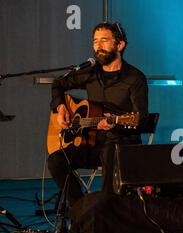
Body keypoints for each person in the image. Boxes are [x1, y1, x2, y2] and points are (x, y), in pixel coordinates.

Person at [48, 22, 148, 208]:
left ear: (120, 45)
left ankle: (107, 213)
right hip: (92, 143)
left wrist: (115, 124)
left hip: (121, 145)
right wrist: (60, 107)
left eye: (104, 40)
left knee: (110, 153)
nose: (98, 46)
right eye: (95, 41)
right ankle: (80, 210)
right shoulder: (90, 73)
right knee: (56, 160)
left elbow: (141, 120)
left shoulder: (134, 78)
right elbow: (58, 84)